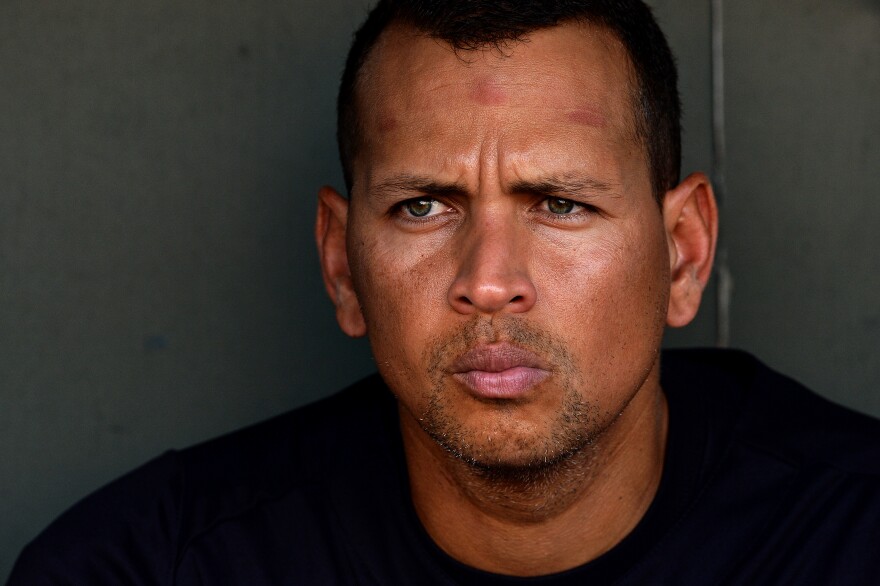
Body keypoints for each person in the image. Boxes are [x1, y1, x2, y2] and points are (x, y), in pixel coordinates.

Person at [9, 1, 880, 584]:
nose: (490, 281)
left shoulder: (852, 537)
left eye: (562, 203)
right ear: (343, 266)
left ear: (684, 255)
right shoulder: (147, 566)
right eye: (423, 206)